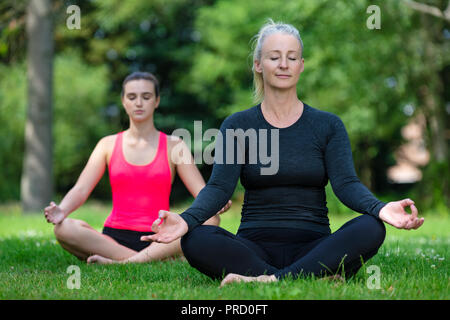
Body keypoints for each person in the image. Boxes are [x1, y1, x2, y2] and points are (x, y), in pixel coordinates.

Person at [141, 20, 425, 286]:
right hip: (253, 247)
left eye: (292, 57)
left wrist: (380, 208)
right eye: (274, 57)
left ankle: (269, 279)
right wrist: (187, 219)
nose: (283, 64)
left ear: (301, 66)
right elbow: (218, 187)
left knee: (371, 228)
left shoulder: (328, 125)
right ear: (258, 65)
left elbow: (347, 184)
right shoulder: (237, 125)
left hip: (314, 245)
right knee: (196, 238)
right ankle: (312, 275)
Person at [44, 71, 231, 263]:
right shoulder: (107, 144)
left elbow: (201, 192)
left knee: (212, 220)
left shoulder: (175, 145)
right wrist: (62, 210)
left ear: (156, 101)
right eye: (132, 97)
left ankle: (125, 262)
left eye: (146, 96)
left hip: (162, 236)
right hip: (114, 238)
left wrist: (216, 201)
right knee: (63, 228)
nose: (139, 103)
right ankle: (153, 260)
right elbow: (81, 188)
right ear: (124, 101)